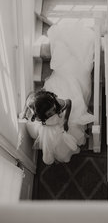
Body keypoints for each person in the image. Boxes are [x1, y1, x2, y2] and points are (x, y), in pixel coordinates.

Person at [23, 20, 95, 164]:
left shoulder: (60, 103)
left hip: (64, 85)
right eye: (49, 114)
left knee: (79, 71)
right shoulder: (36, 110)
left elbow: (69, 102)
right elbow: (30, 101)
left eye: (52, 111)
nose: (52, 113)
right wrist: (27, 115)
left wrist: (67, 120)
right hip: (43, 100)